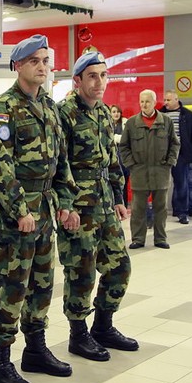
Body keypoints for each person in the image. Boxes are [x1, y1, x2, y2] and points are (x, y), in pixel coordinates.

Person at [0, 34, 80, 383]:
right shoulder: (2, 109)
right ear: (17, 65)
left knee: (41, 283)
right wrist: (20, 210)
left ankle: (35, 349)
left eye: (46, 61)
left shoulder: (51, 108)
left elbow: (61, 163)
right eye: (34, 61)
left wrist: (66, 203)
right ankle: (0, 362)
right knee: (13, 286)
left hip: (46, 209)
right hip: (16, 215)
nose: (42, 67)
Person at [57, 51, 138, 362]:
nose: (100, 82)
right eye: (93, 76)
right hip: (79, 206)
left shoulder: (104, 113)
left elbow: (112, 161)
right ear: (78, 80)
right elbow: (58, 164)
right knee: (81, 272)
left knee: (120, 267)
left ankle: (103, 326)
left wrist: (119, 198)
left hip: (104, 203)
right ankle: (78, 334)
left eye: (104, 75)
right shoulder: (64, 113)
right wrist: (66, 206)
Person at [119, 90, 179, 250]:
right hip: (139, 172)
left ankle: (160, 238)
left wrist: (170, 162)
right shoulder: (132, 123)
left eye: (147, 101)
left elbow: (174, 144)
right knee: (138, 209)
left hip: (161, 172)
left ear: (154, 102)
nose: (144, 105)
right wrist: (131, 164)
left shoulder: (166, 122)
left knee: (161, 209)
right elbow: (123, 146)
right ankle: (138, 239)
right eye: (141, 101)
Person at [159, 90, 192, 224]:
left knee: (181, 183)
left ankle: (182, 212)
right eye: (164, 100)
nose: (165, 102)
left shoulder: (187, 115)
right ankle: (158, 212)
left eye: (168, 100)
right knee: (158, 184)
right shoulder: (159, 114)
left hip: (181, 154)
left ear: (176, 100)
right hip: (162, 153)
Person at [109, 104, 130, 204]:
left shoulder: (126, 123)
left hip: (124, 158)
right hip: (111, 159)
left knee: (124, 183)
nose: (116, 114)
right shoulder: (107, 123)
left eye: (117, 111)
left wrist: (114, 138)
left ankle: (124, 205)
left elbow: (126, 139)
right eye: (113, 112)